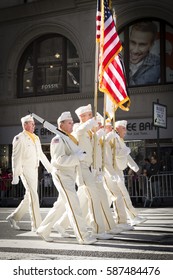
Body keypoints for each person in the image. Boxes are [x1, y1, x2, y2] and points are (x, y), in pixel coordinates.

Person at [36, 111, 97, 245]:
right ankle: (83, 236)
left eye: (72, 122)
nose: (72, 124)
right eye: (69, 123)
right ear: (61, 125)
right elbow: (58, 160)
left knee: (60, 206)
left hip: (69, 175)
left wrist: (79, 155)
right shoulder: (57, 139)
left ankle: (43, 229)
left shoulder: (67, 138)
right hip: (63, 175)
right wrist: (77, 158)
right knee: (74, 206)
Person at [6, 114, 52, 231]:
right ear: (25, 125)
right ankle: (36, 225)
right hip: (25, 170)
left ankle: (14, 217)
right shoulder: (19, 138)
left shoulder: (36, 138)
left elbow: (41, 155)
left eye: (33, 124)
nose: (34, 126)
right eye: (32, 124)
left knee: (29, 196)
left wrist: (50, 168)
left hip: (34, 169)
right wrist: (15, 174)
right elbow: (15, 157)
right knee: (34, 196)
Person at [112, 120, 147, 226]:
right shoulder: (114, 138)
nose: (125, 131)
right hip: (113, 171)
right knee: (123, 195)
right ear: (117, 128)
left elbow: (126, 156)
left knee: (109, 198)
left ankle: (130, 218)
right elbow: (116, 153)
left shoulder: (119, 139)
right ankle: (132, 217)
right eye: (123, 128)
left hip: (117, 171)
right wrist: (126, 152)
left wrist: (135, 167)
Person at [129, 21, 160, 86]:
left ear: (151, 45)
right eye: (133, 42)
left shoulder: (157, 64)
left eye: (142, 45)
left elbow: (136, 89)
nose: (135, 50)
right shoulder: (118, 58)